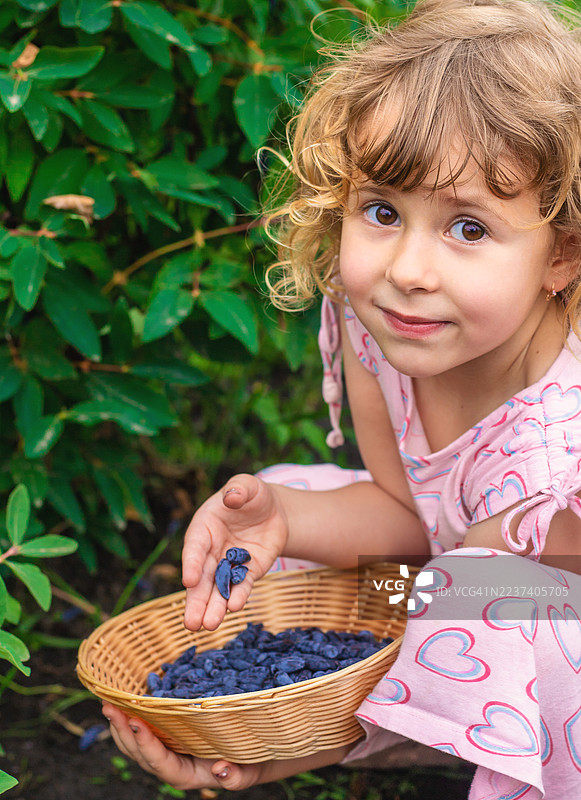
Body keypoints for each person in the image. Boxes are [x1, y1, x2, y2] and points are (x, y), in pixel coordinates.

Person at [103, 0, 581, 796]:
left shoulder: (556, 437)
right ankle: (400, 709)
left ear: (560, 254)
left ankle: (475, 750)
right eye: (383, 211)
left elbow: (491, 588)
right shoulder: (382, 327)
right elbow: (404, 517)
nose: (408, 269)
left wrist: (406, 609)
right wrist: (288, 517)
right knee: (299, 527)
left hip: (552, 616)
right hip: (460, 582)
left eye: (468, 228)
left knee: (481, 607)